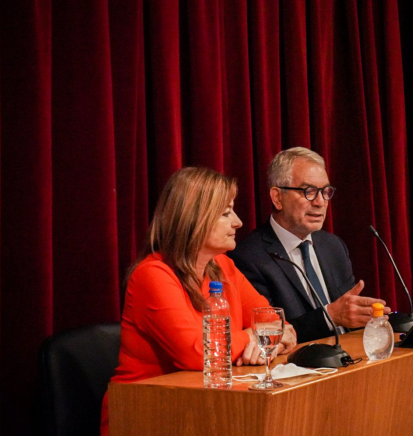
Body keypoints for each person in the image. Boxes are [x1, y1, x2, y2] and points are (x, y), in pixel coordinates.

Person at [100, 167, 296, 435]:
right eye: (226, 213)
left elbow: (274, 320)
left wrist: (276, 336)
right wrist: (252, 336)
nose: (238, 222)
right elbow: (199, 355)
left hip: (207, 406)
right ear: (193, 219)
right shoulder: (152, 274)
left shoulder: (224, 267)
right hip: (146, 412)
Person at [229, 147, 390, 343]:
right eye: (309, 192)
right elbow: (267, 334)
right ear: (277, 197)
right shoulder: (248, 257)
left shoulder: (333, 246)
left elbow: (349, 316)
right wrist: (329, 317)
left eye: (325, 192)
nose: (320, 202)